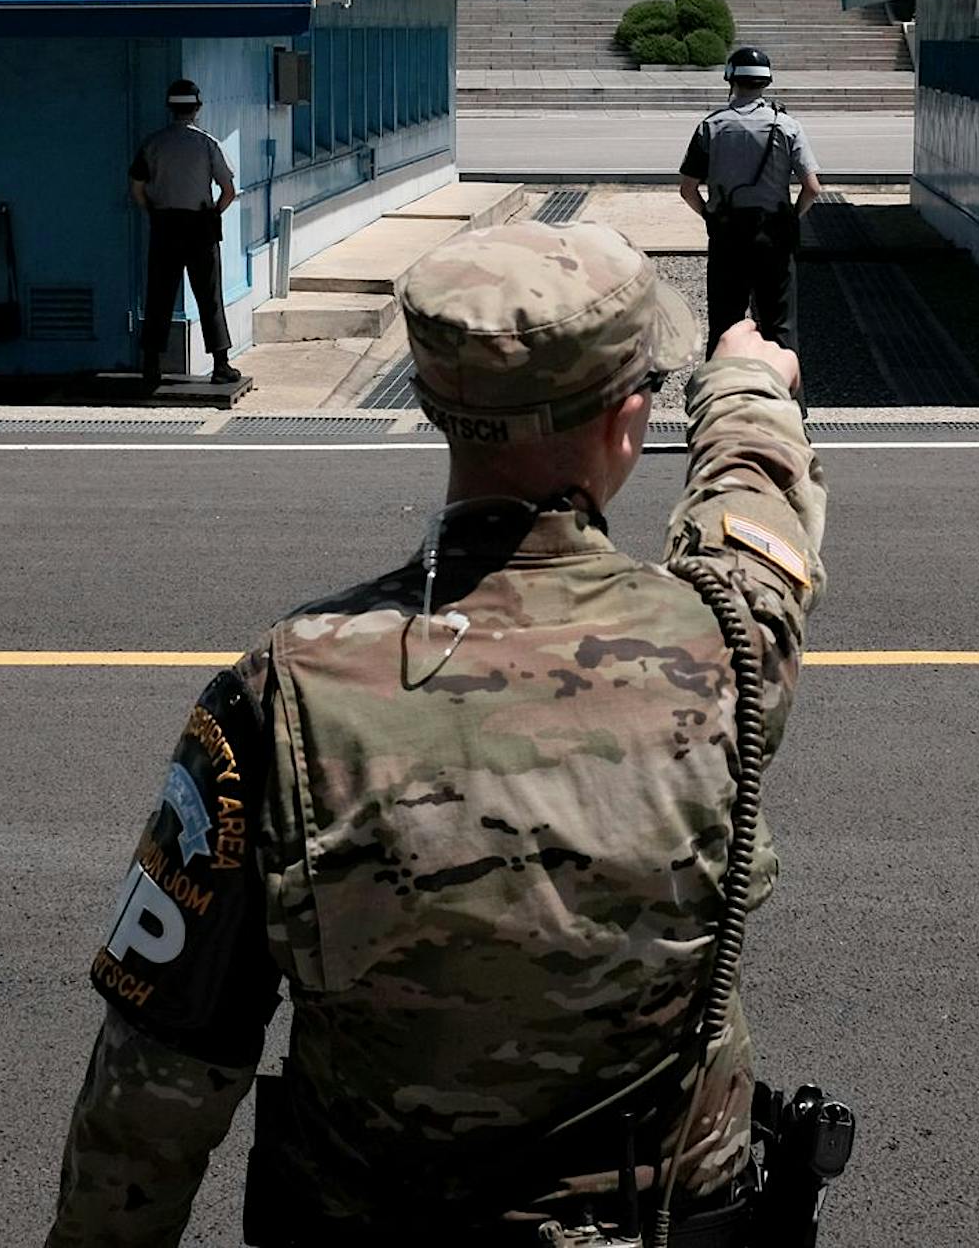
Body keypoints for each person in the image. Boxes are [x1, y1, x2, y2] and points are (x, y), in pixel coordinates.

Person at [44, 220, 828, 1246]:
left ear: (429, 404)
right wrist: (744, 387)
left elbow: (162, 1071)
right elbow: (756, 525)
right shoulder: (719, 653)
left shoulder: (283, 692)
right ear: (628, 421)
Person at [679, 46, 824, 359]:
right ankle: (787, 403)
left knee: (724, 323)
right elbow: (812, 188)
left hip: (728, 234)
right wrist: (791, 218)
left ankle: (720, 400)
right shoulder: (787, 126)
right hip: (774, 233)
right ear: (766, 82)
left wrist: (709, 216)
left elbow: (688, 189)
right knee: (780, 325)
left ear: (731, 79)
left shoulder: (711, 126)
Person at [129, 78, 241, 391]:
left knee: (159, 294)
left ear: (169, 108)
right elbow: (228, 191)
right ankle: (220, 364)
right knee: (209, 295)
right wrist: (213, 214)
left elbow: (136, 187)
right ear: (197, 108)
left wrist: (152, 210)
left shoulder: (153, 144)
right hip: (200, 225)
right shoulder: (207, 144)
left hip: (165, 224)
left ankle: (152, 366)